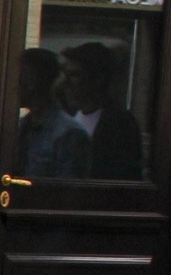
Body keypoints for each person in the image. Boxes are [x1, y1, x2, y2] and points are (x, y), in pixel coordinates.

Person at [57, 40, 144, 180]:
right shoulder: (66, 116)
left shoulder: (119, 124)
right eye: (65, 74)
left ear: (98, 78)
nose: (65, 83)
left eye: (74, 75)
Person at [14, 46, 88, 179]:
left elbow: (68, 192)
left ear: (32, 83)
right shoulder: (24, 127)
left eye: (19, 79)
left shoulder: (69, 134)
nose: (12, 87)